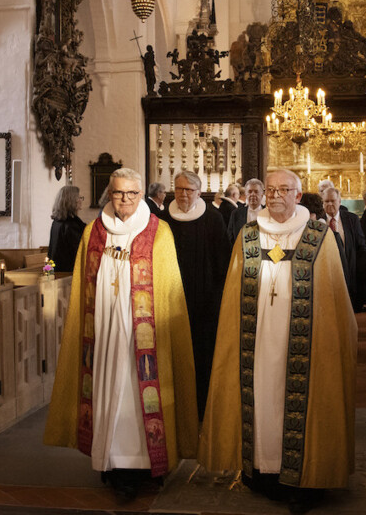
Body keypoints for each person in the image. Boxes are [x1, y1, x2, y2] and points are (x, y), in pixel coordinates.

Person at [200, 169, 357, 513]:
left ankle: (303, 480)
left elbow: (334, 298)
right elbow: (233, 291)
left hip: (305, 341)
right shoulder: (249, 234)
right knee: (261, 400)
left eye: (284, 190)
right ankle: (262, 471)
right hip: (255, 340)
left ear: (298, 196)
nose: (275, 196)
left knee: (297, 401)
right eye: (270, 190)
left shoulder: (319, 235)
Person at [44, 168, 197, 500]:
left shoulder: (159, 232)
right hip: (105, 332)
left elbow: (170, 291)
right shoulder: (94, 232)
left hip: (147, 338)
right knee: (107, 389)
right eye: (118, 193)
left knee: (141, 395)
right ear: (108, 195)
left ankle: (147, 465)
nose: (125, 200)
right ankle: (110, 462)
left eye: (132, 194)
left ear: (141, 195)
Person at [163, 171, 230, 418]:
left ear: (199, 193)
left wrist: (217, 298)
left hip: (205, 303)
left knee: (202, 355)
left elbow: (222, 261)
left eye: (189, 190)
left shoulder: (213, 219)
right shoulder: (162, 219)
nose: (183, 194)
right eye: (179, 189)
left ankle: (203, 409)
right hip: (170, 299)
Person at [323, 187, 366, 313]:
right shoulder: (317, 221)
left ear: (339, 201)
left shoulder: (351, 219)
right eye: (326, 201)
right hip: (326, 272)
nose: (330, 204)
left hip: (348, 269)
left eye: (333, 200)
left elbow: (361, 244)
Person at [48, 185, 88, 273]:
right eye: (79, 198)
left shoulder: (57, 222)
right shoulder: (70, 226)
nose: (81, 200)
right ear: (71, 200)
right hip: (67, 273)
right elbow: (79, 252)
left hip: (56, 270)